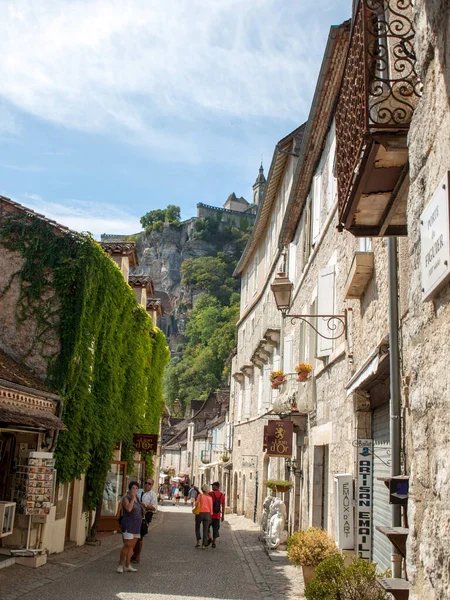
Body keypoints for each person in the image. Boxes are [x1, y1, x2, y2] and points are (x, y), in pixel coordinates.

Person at [117, 481, 144, 573]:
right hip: (128, 525)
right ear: (130, 489)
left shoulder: (137, 498)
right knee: (127, 545)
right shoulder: (126, 498)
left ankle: (127, 565)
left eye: (136, 488)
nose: (135, 490)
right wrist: (132, 499)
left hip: (136, 526)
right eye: (133, 488)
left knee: (131, 547)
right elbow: (129, 509)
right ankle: (120, 565)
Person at [131, 478, 157, 564]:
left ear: (152, 485)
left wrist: (145, 505)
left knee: (140, 537)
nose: (147, 485)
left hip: (145, 516)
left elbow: (154, 508)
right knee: (134, 536)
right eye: (146, 483)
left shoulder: (153, 495)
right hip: (135, 514)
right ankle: (134, 554)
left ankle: (137, 556)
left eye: (149, 484)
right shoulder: (139, 491)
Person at [194, 483, 213, 549]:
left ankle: (198, 541)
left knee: (197, 526)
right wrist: (211, 515)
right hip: (207, 514)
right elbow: (211, 507)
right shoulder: (210, 498)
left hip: (200, 513)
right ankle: (204, 545)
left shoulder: (200, 495)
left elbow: (196, 504)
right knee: (205, 529)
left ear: (202, 489)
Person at [207, 481, 225, 548]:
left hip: (210, 515)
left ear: (216, 486)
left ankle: (210, 538)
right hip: (217, 515)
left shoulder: (210, 494)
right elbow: (223, 505)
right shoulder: (222, 495)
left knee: (206, 527)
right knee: (216, 529)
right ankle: (214, 543)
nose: (212, 487)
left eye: (213, 486)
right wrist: (222, 516)